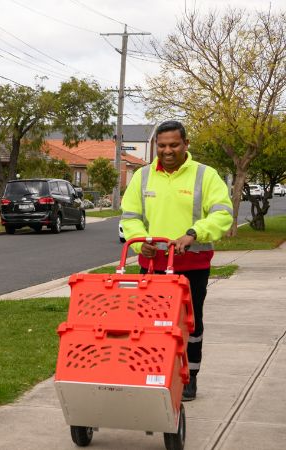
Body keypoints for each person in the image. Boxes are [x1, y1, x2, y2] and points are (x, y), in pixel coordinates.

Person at [120, 120, 233, 401]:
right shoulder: (143, 177)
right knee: (149, 324)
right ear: (155, 146)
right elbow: (130, 217)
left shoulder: (205, 176)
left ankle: (189, 376)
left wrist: (194, 233)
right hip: (152, 266)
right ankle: (151, 372)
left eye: (174, 145)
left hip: (191, 266)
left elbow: (222, 213)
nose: (167, 151)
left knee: (190, 325)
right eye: (162, 145)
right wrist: (141, 241)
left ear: (186, 145)